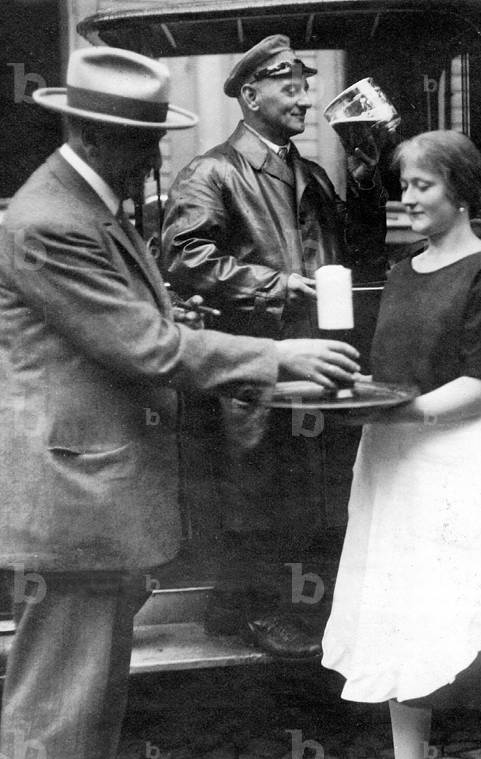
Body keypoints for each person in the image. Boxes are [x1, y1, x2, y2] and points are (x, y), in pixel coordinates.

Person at [0, 46, 360, 759]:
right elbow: (142, 347)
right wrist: (275, 357)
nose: (155, 154)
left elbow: (129, 327)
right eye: (143, 139)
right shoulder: (51, 220)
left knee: (86, 698)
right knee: (58, 706)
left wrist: (178, 320)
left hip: (96, 493)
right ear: (92, 136)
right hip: (79, 497)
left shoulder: (81, 203)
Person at [321, 130, 481, 759]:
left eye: (422, 185)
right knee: (400, 613)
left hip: (462, 469)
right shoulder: (402, 273)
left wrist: (403, 411)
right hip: (396, 467)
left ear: (461, 193)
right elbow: (393, 369)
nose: (408, 198)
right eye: (405, 185)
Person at [159, 34, 388, 657]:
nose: (305, 99)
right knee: (256, 491)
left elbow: (358, 251)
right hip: (252, 360)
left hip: (313, 357)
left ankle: (274, 610)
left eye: (305, 87)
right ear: (250, 95)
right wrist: (274, 284)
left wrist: (366, 180)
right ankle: (254, 611)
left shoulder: (311, 174)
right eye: (290, 87)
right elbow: (184, 257)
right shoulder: (211, 172)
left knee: (306, 491)